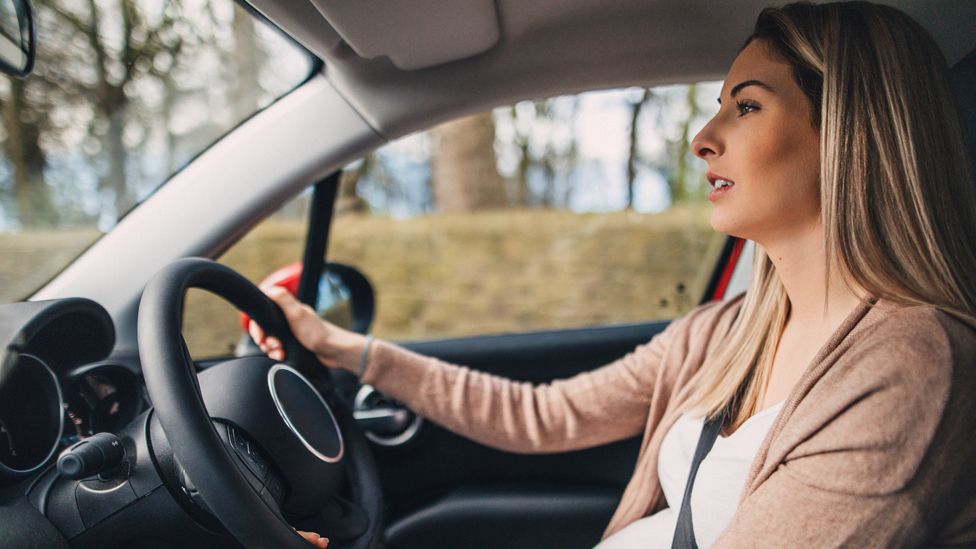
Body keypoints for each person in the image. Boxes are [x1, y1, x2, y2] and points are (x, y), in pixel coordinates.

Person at [252, 2, 976, 546]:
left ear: (849, 132)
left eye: (747, 105)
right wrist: (347, 349)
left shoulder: (912, 362)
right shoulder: (725, 331)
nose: (702, 138)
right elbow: (543, 415)